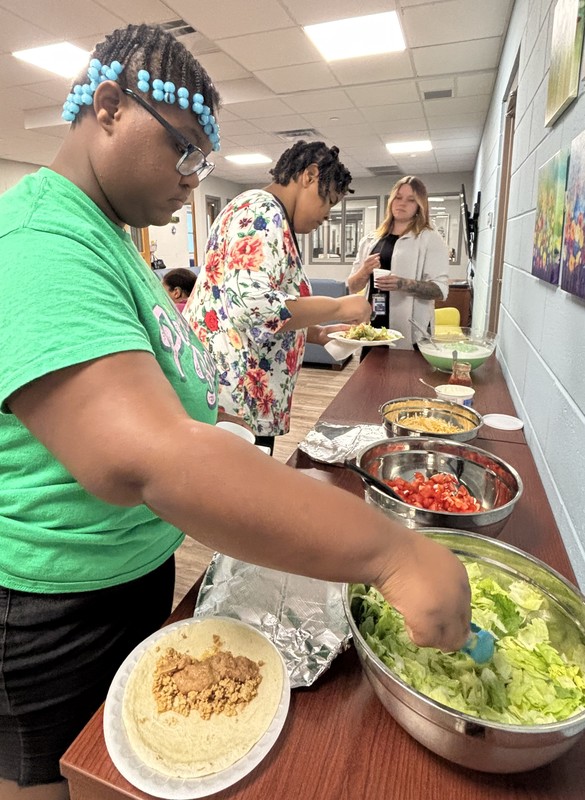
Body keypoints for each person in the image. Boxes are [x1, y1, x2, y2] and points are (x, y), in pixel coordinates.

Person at [0, 24, 471, 800]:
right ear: (109, 107)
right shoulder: (41, 239)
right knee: (67, 779)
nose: (194, 178)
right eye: (184, 149)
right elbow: (146, 454)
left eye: (203, 160)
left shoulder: (112, 239)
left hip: (131, 569)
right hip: (54, 606)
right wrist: (395, 554)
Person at [183, 141, 372, 453]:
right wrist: (338, 306)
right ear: (310, 176)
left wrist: (320, 334)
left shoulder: (264, 213)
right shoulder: (262, 211)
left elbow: (258, 309)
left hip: (239, 392)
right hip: (234, 396)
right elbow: (254, 307)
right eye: (329, 202)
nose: (327, 215)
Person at [347, 176, 449, 350]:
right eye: (398, 197)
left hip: (411, 331)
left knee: (405, 376)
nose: (402, 203)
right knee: (371, 375)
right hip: (373, 327)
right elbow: (352, 286)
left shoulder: (430, 239)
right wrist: (364, 271)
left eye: (411, 200)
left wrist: (403, 284)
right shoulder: (372, 239)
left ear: (419, 206)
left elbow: (440, 291)